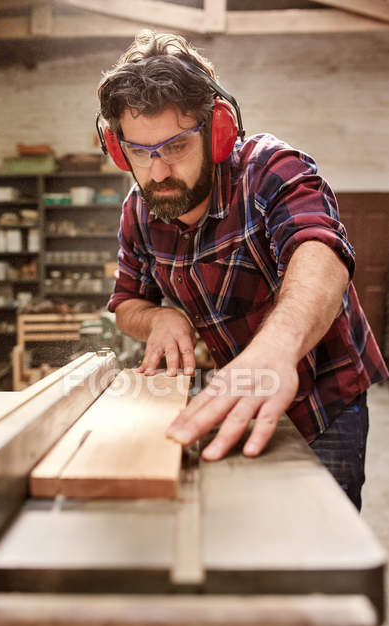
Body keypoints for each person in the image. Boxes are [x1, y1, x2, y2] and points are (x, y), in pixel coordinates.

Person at [97, 30, 388, 510]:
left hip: (325, 395)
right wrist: (159, 318)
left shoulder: (271, 169)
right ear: (116, 147)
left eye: (175, 147)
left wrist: (272, 352)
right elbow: (127, 302)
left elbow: (319, 251)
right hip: (240, 387)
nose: (158, 172)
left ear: (218, 133)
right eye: (140, 152)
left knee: (322, 539)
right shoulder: (138, 211)